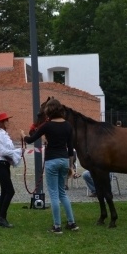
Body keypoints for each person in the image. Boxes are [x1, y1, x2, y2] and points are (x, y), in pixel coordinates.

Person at [23, 98, 79, 234]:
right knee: (62, 193)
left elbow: (31, 139)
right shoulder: (68, 126)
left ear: (48, 111)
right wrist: (71, 166)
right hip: (64, 160)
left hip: (51, 161)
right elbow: (71, 149)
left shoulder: (47, 126)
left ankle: (57, 226)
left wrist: (23, 135)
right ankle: (72, 223)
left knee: (53, 195)